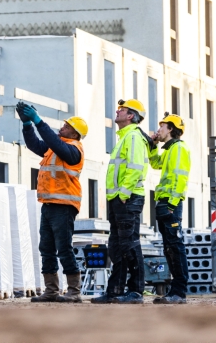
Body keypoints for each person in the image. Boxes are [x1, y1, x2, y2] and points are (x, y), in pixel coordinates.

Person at [17, 102, 88, 303]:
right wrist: (27, 125)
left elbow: (55, 144)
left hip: (64, 207)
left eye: (66, 127)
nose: (61, 128)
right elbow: (34, 145)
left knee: (63, 248)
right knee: (46, 248)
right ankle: (51, 290)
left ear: (75, 134)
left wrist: (38, 120)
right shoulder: (56, 147)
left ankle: (74, 291)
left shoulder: (74, 149)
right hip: (49, 204)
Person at [92, 99, 152, 305]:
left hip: (127, 198)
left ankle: (135, 291)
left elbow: (135, 168)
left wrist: (124, 194)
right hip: (119, 199)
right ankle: (115, 291)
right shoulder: (125, 137)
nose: (117, 112)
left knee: (130, 244)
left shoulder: (133, 136)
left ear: (130, 116)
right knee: (116, 246)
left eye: (122, 110)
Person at [149, 113, 191, 304]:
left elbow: (180, 178)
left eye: (162, 126)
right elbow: (155, 163)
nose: (159, 130)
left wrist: (172, 205)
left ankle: (179, 292)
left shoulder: (179, 148)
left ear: (171, 129)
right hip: (164, 203)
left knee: (175, 247)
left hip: (170, 204)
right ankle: (175, 291)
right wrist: (153, 144)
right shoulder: (169, 150)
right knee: (169, 248)